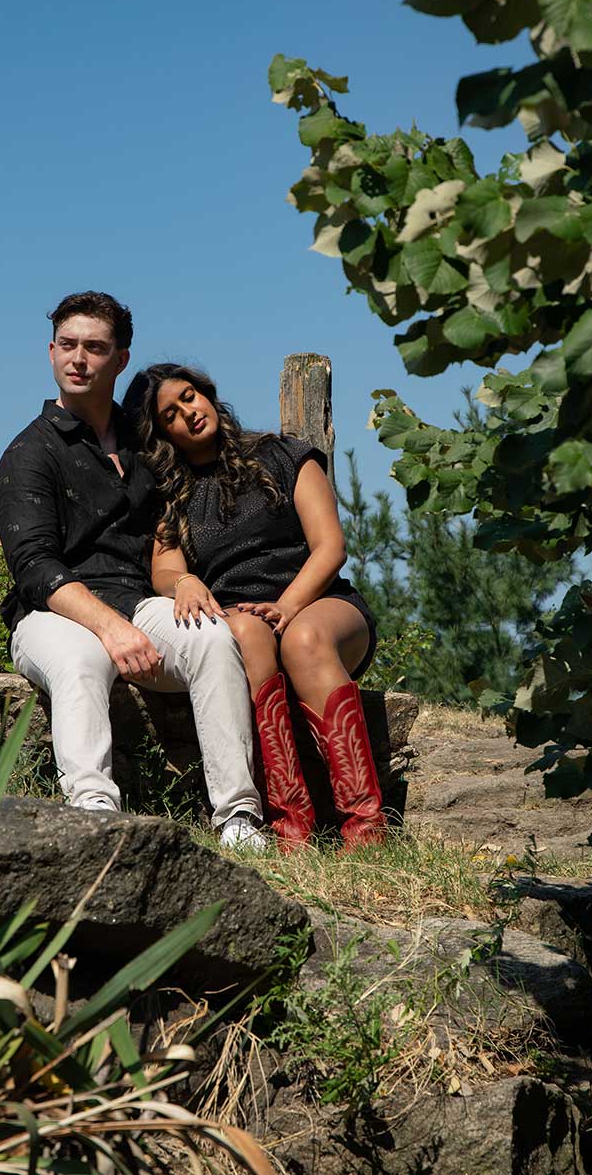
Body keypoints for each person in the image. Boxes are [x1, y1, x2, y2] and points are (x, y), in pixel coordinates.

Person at [0, 293, 265, 847]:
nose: (79, 359)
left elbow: (166, 537)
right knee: (81, 656)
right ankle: (94, 813)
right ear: (50, 352)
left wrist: (184, 580)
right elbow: (35, 568)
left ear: (120, 360)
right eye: (68, 346)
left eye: (95, 348)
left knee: (212, 637)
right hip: (52, 614)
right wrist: (110, 629)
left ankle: (238, 818)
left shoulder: (146, 447)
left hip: (137, 602)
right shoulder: (29, 453)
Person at [122, 362, 386, 851]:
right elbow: (164, 568)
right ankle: (291, 825)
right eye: (171, 414)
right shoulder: (171, 496)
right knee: (244, 633)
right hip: (244, 618)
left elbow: (330, 546)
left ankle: (365, 827)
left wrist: (287, 606)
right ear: (162, 434)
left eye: (190, 397)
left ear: (207, 393)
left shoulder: (284, 454)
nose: (189, 413)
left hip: (319, 601)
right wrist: (183, 581)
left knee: (304, 639)